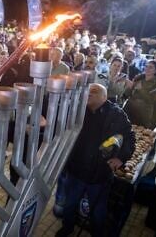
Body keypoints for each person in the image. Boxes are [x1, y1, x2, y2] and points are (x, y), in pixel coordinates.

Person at [56, 84, 134, 237]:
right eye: (88, 91)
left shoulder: (116, 115)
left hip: (100, 174)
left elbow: (130, 137)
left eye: (94, 91)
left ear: (104, 97)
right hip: (76, 171)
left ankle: (98, 233)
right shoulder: (77, 110)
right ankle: (67, 228)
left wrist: (121, 157)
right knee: (70, 204)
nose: (89, 93)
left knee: (98, 210)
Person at [123, 60, 156, 129]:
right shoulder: (139, 78)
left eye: (150, 67)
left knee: (138, 136)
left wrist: (141, 89)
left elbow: (152, 100)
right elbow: (127, 94)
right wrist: (129, 87)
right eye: (146, 66)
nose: (147, 68)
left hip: (143, 114)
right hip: (129, 110)